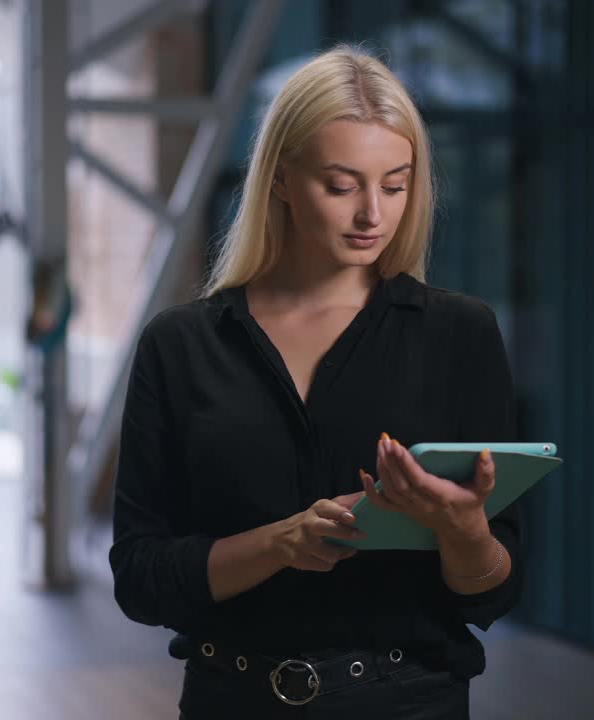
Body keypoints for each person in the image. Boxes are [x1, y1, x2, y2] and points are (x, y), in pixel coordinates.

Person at [109, 45, 521, 719]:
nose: (373, 215)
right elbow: (141, 580)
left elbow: (496, 593)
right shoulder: (179, 345)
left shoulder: (461, 334)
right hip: (231, 701)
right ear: (278, 178)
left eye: (395, 184)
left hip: (411, 702)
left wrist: (467, 530)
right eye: (342, 185)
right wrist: (281, 543)